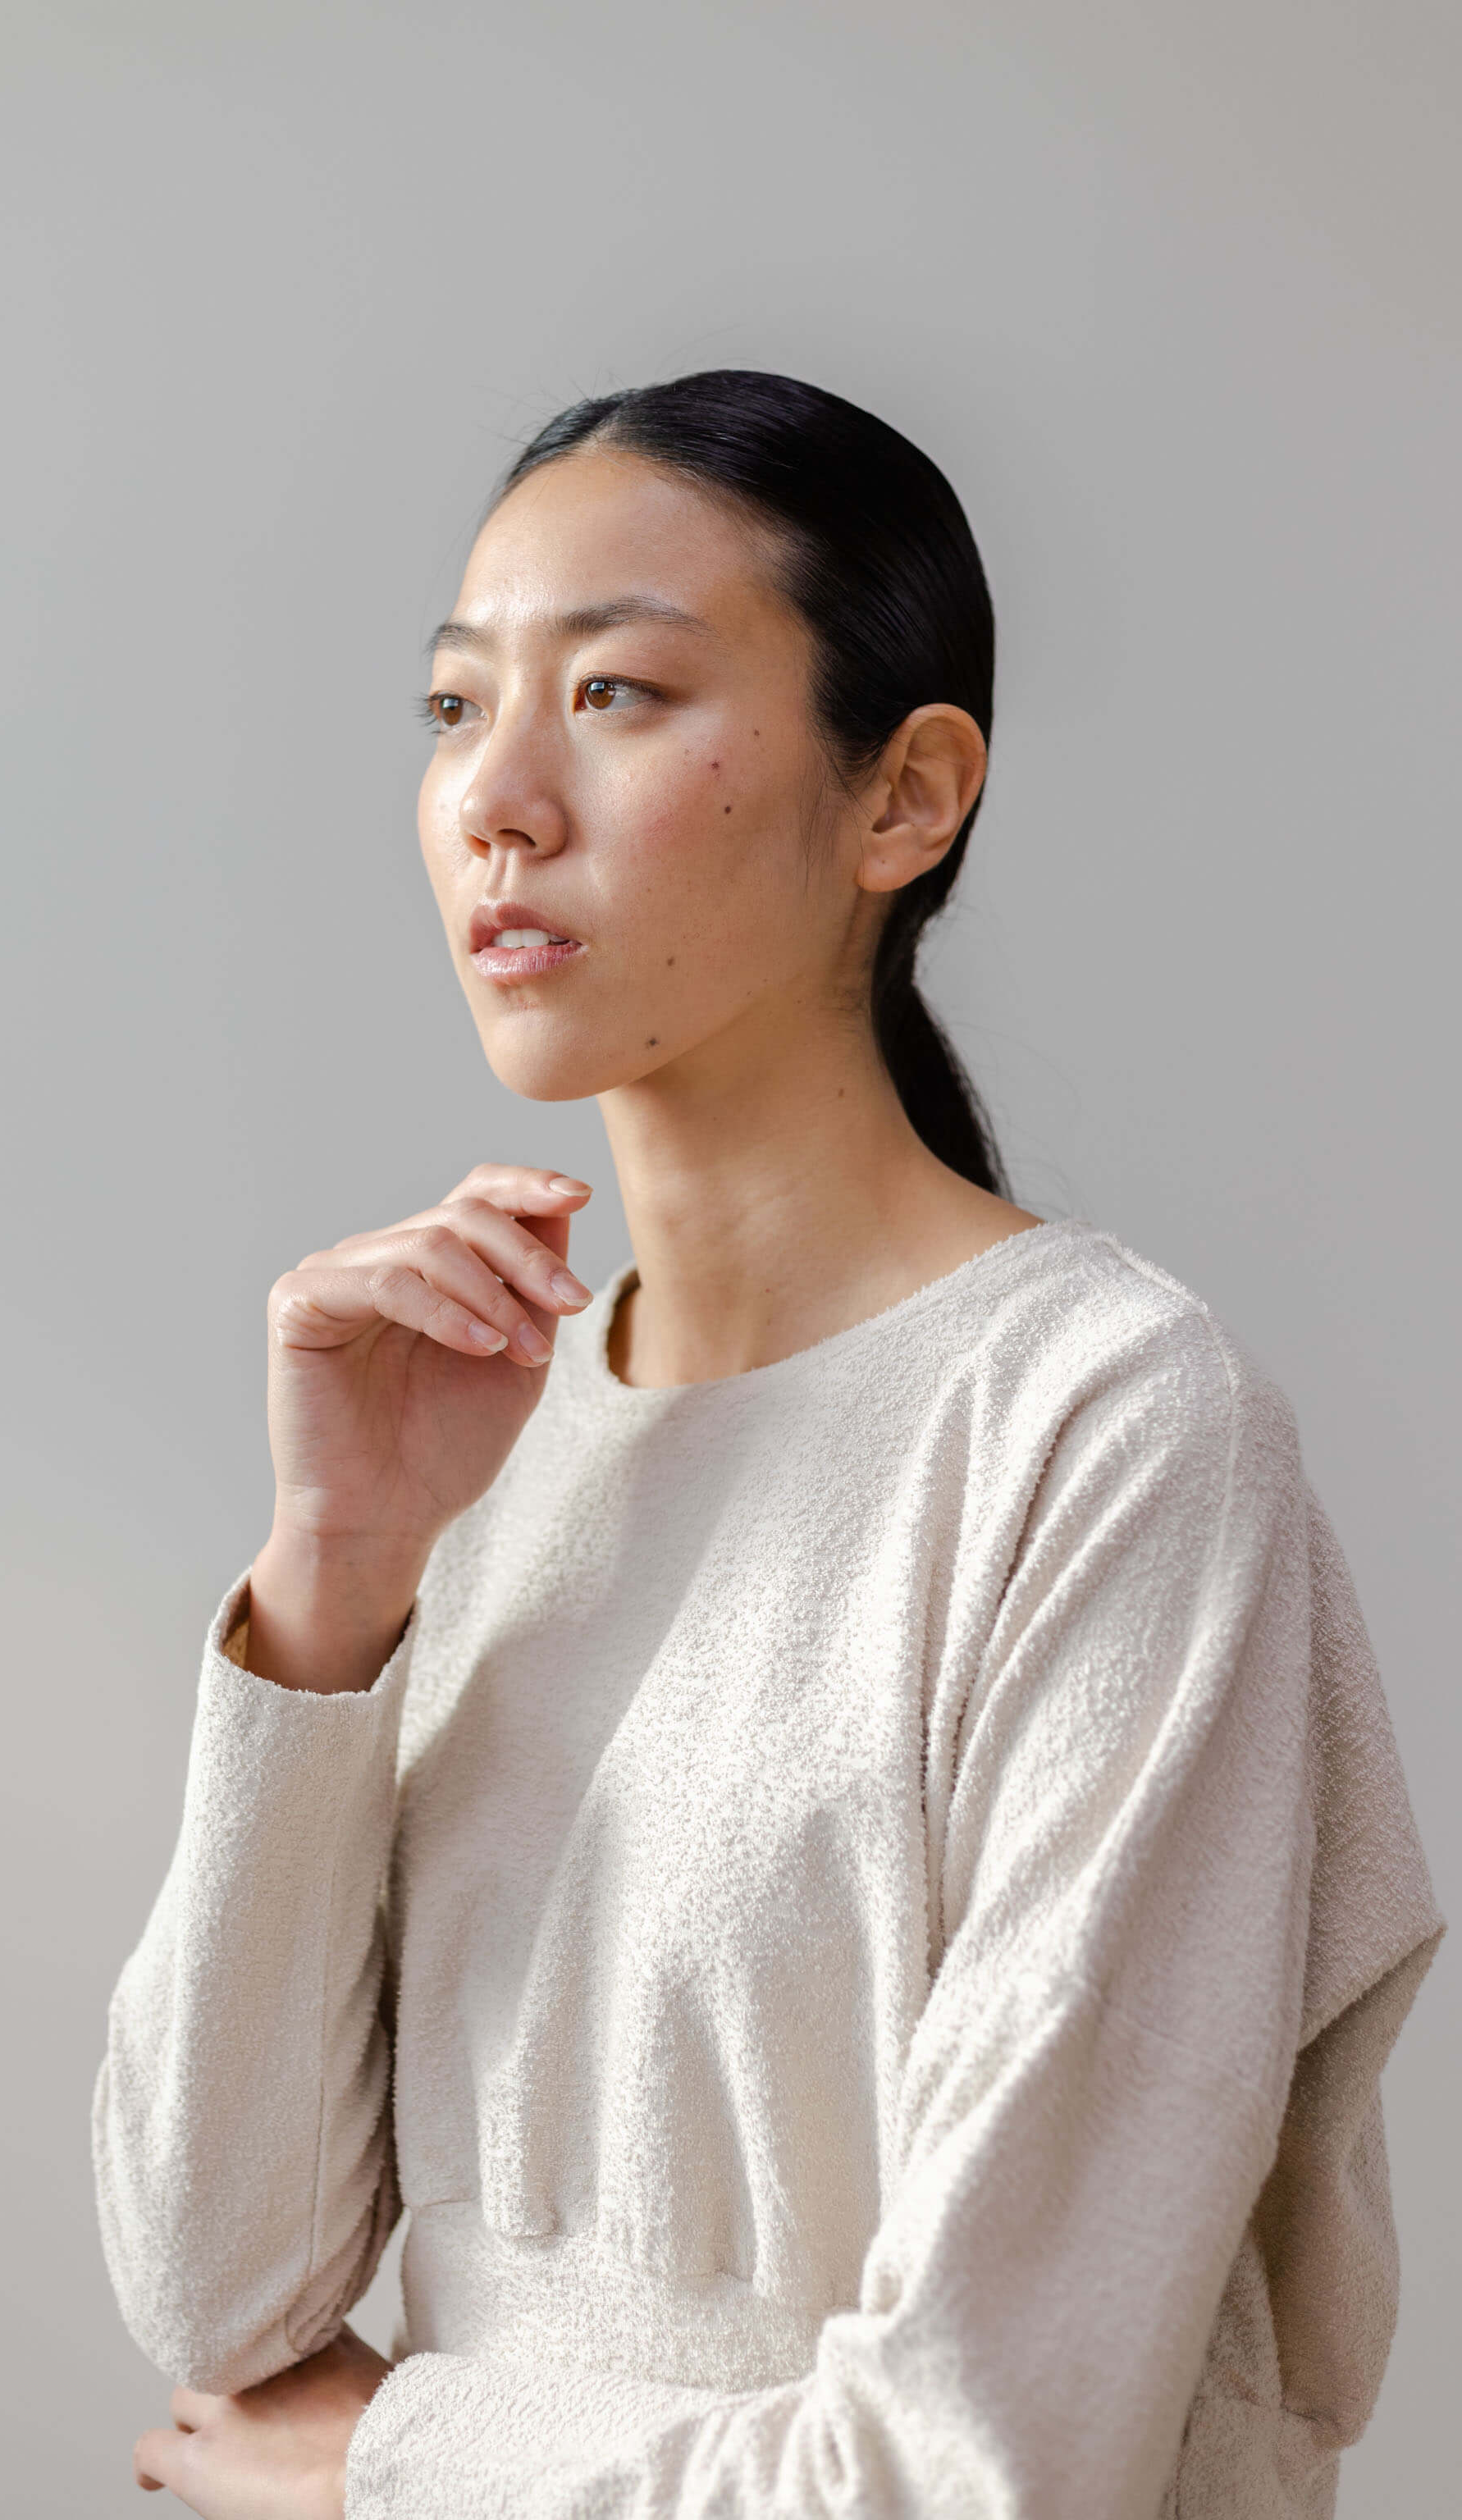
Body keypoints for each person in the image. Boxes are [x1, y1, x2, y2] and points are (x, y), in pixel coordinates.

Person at [93, 371, 1441, 2518]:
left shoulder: (1107, 1429)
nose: (496, 800)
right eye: (454, 706)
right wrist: (332, 1584)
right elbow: (216, 2293)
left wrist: (403, 2462)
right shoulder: (486, 1439)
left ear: (907, 795)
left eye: (615, 693)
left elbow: (990, 2467)